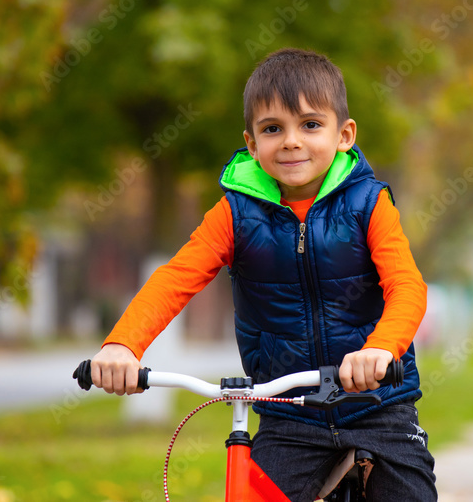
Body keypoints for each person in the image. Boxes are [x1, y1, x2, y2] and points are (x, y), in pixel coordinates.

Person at [90, 47, 437, 500]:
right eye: (273, 129)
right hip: (289, 415)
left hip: (377, 405)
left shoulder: (369, 204)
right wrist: (122, 345)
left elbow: (407, 286)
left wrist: (380, 350)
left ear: (344, 135)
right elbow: (175, 279)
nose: (291, 141)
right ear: (252, 144)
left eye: (310, 125)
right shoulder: (235, 214)